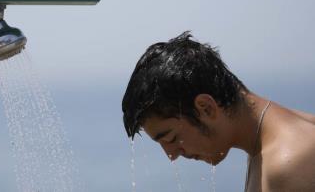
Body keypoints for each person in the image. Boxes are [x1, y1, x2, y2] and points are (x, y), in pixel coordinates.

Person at [122, 31, 315, 191]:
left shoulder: (289, 163)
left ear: (206, 108)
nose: (172, 155)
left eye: (172, 138)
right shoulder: (265, 149)